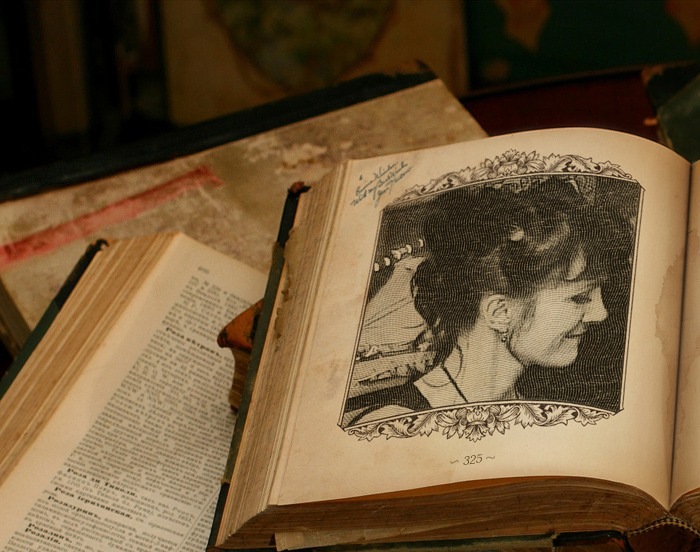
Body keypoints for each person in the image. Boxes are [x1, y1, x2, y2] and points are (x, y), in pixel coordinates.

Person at [346, 176, 633, 423]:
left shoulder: (528, 408)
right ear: (499, 312)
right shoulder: (397, 421)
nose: (600, 313)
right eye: (580, 297)